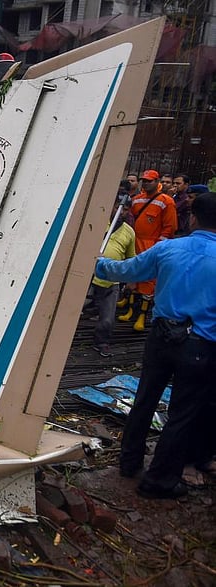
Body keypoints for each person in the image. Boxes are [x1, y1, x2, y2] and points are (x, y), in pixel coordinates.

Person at [95, 192, 216, 499]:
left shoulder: (169, 249)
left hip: (161, 338)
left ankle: (129, 463)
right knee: (182, 413)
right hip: (201, 346)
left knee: (145, 400)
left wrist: (99, 265)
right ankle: (160, 479)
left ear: (192, 218)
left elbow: (127, 271)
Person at [117, 169, 176, 331]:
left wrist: (159, 248)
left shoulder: (166, 201)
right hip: (136, 243)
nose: (146, 183)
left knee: (148, 283)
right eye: (144, 180)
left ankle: (142, 316)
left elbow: (169, 228)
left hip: (152, 246)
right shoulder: (137, 200)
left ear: (157, 182)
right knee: (133, 279)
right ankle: (130, 310)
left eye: (150, 180)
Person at [89, 195, 135, 357]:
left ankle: (101, 342)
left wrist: (131, 281)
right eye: (118, 207)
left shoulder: (129, 232)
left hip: (111, 279)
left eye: (125, 210)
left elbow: (131, 258)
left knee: (108, 317)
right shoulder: (98, 223)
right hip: (89, 276)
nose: (121, 212)